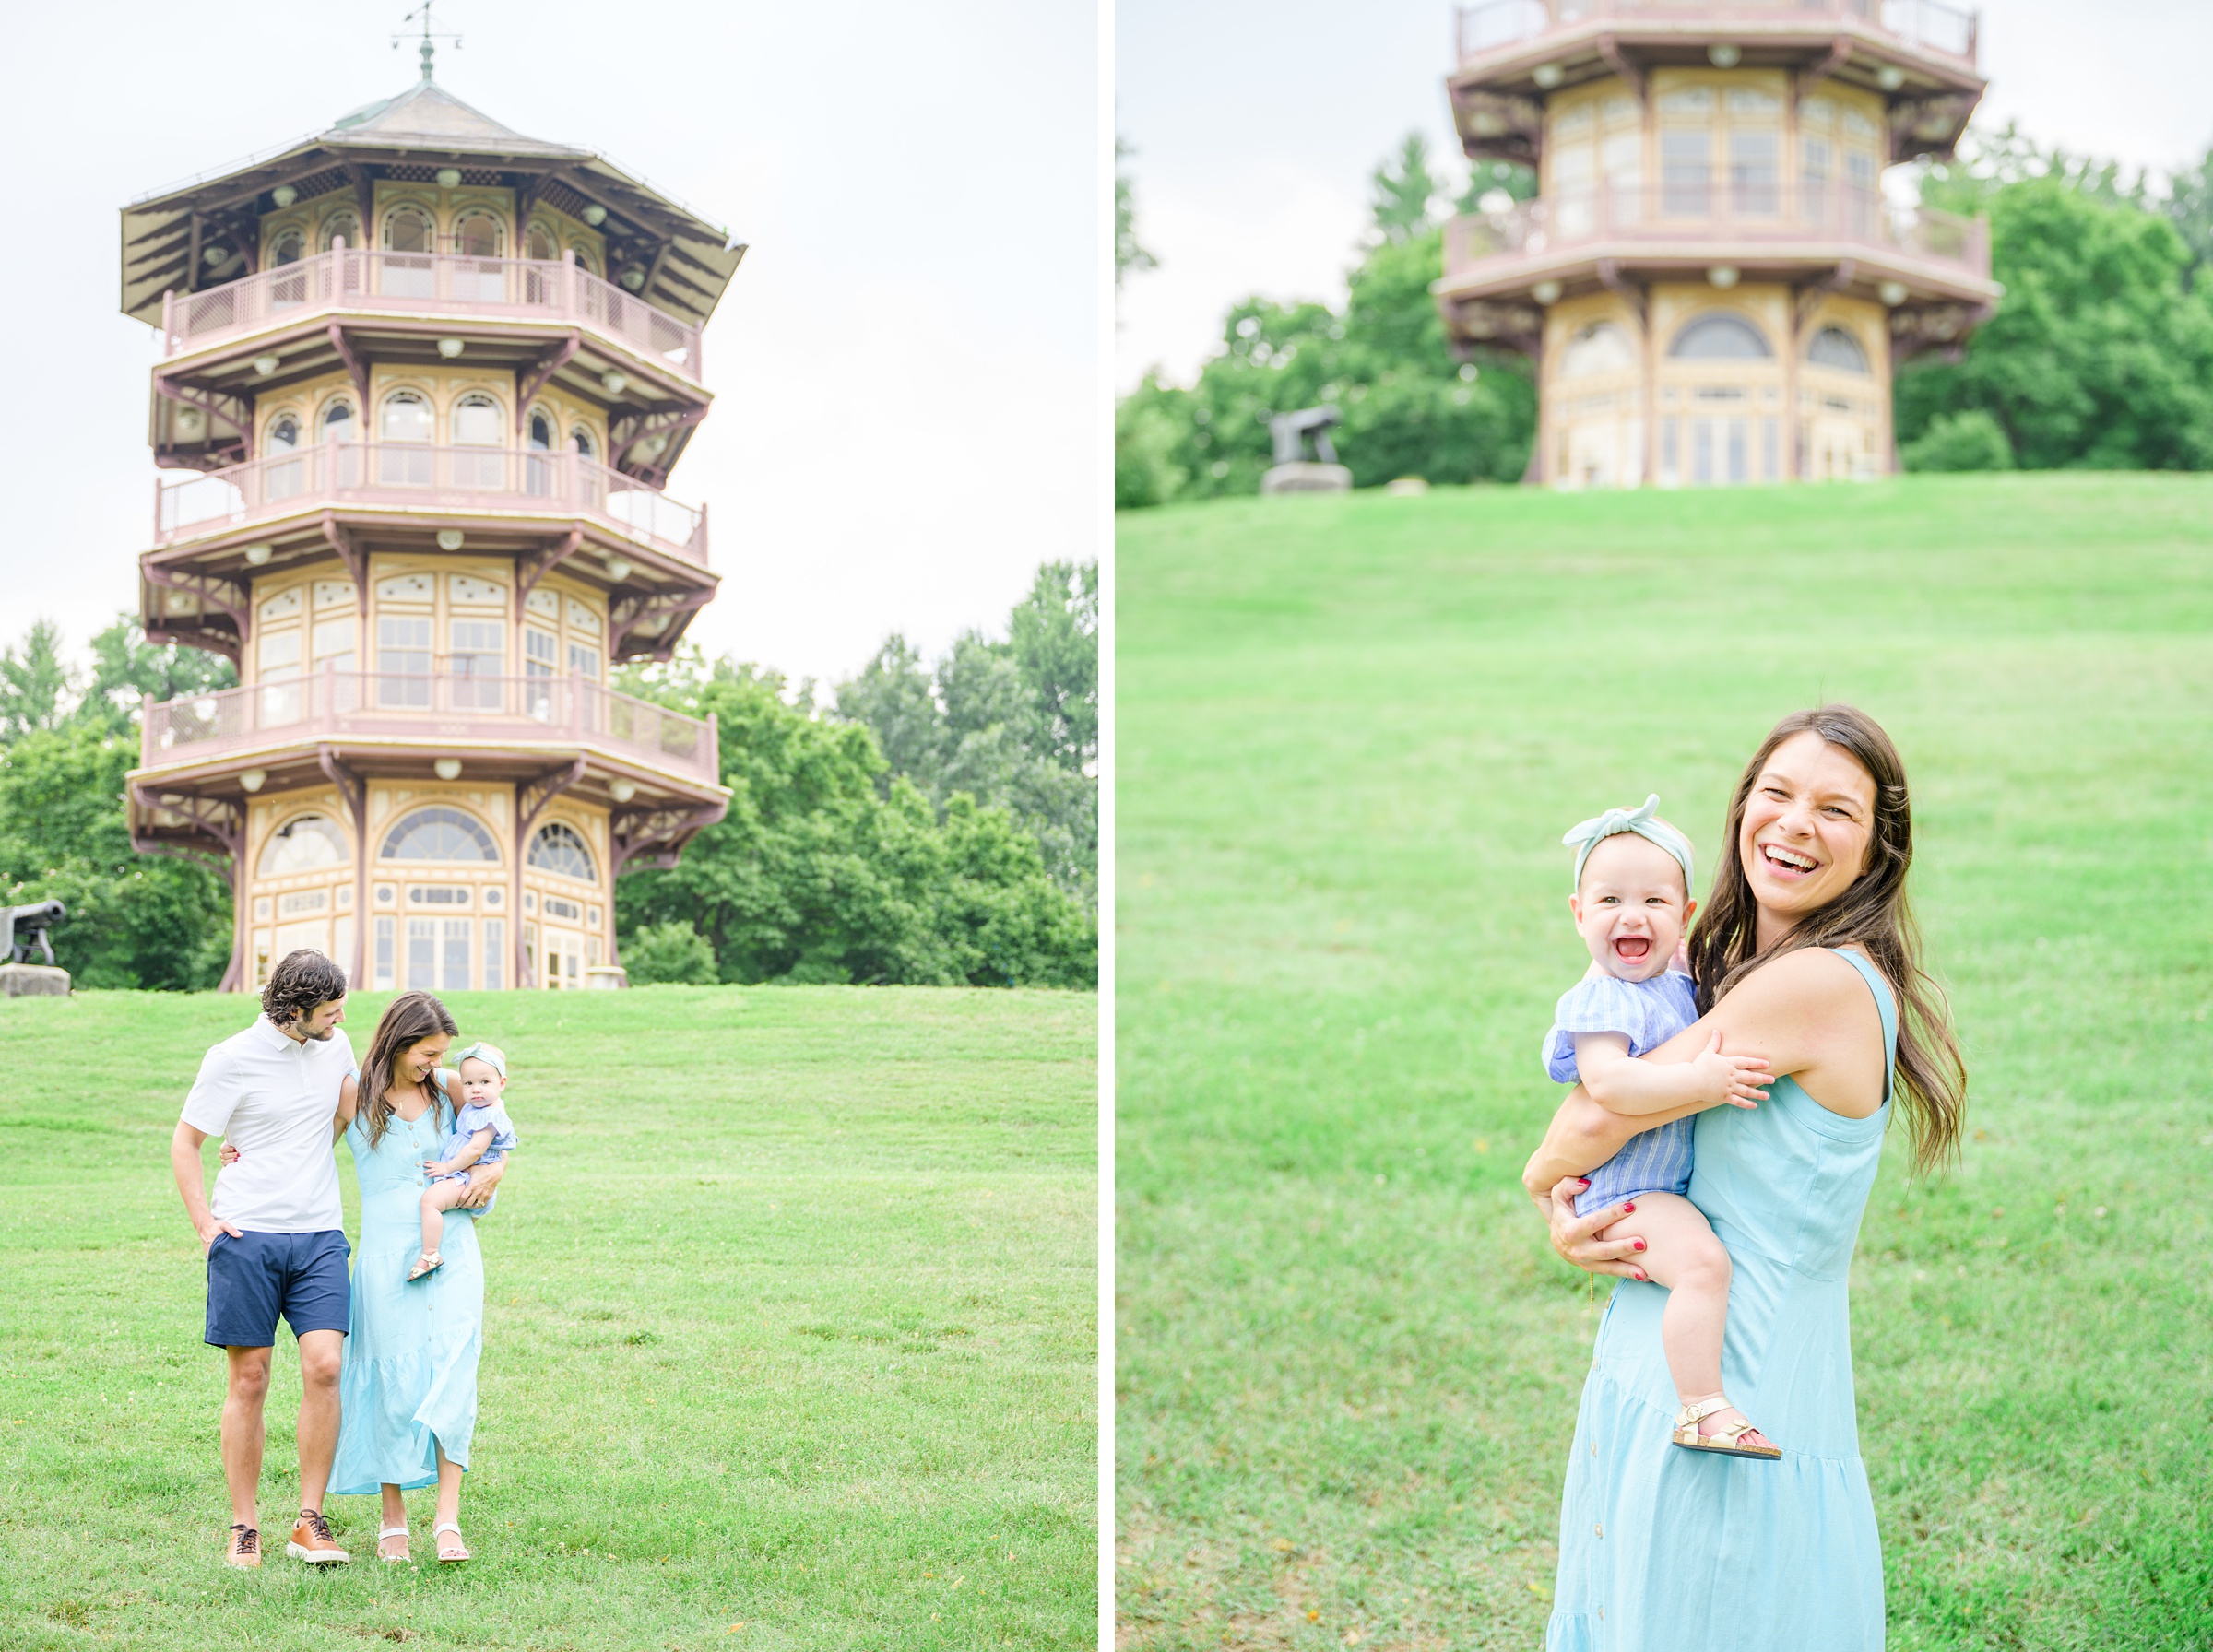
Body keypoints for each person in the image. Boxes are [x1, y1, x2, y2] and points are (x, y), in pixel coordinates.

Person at [1522, 706, 1967, 1651]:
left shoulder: (1814, 983)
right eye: (1777, 792)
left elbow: (1596, 1118)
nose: (1796, 822)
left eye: (1835, 809)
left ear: (1879, 851)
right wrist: (1577, 1215)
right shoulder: (1732, 965)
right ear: (1740, 809)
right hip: (1682, 1356)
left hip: (1743, 1378)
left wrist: (1541, 1181)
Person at [1543, 796, 1776, 1458]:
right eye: (1609, 900)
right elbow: (1610, 1085)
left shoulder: (1675, 979)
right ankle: (1702, 1408)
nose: (1632, 915)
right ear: (1579, 914)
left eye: (1654, 901)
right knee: (1704, 1265)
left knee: (1704, 1261)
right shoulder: (1599, 1000)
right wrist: (1700, 1084)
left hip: (1653, 1185)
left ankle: (1703, 1403)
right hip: (1621, 1191)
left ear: (1685, 918)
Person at [170, 948, 358, 1569]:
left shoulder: (337, 1046)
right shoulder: (231, 1059)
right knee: (249, 1379)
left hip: (319, 1235)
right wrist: (206, 1227)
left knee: (325, 1367)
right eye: (329, 1011)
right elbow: (187, 1141)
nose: (338, 1019)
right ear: (295, 1010)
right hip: (246, 1237)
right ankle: (244, 1526)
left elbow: (341, 1117)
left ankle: (310, 1519)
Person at [328, 992, 503, 1564]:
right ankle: (393, 1518)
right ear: (400, 1041)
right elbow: (303, 1148)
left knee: (453, 1370)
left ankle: (448, 1520)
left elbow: (496, 1139)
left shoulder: (451, 1088)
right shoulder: (355, 1092)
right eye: (427, 1053)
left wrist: (493, 1172)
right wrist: (241, 1152)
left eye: (440, 1054)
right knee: (389, 1383)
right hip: (385, 1258)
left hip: (452, 1248)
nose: (435, 1063)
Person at [410, 1041, 518, 1282]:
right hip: (463, 1175)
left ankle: (430, 1254)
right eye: (468, 1083)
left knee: (430, 1202)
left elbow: (475, 1150)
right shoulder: (475, 1107)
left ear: (501, 1084)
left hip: (467, 1176)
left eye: (485, 1082)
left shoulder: (490, 1114)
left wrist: (446, 1168)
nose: (476, 1089)